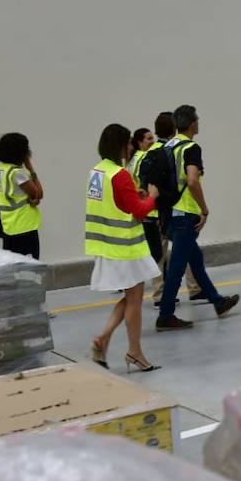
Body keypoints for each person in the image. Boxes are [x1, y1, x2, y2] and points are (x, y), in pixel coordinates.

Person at [154, 105, 240, 330]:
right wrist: (204, 209)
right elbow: (192, 180)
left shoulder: (165, 146)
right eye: (197, 119)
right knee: (177, 269)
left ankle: (218, 302)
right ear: (192, 123)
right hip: (185, 214)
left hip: (167, 214)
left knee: (196, 259)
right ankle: (165, 316)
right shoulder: (191, 148)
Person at [86, 123, 160, 373]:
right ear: (120, 145)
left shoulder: (97, 172)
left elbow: (114, 201)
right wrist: (151, 197)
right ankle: (135, 351)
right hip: (126, 248)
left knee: (129, 297)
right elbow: (139, 210)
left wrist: (134, 194)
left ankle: (103, 339)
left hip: (107, 245)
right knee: (135, 300)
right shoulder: (120, 174)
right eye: (128, 143)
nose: (131, 147)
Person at [140, 112, 177, 298]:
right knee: (184, 251)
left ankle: (158, 293)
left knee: (158, 255)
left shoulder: (147, 154)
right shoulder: (172, 151)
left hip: (151, 211)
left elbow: (142, 184)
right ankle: (196, 289)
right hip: (170, 210)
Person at [0, 132, 43, 259]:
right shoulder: (17, 173)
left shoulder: (2, 169)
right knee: (30, 267)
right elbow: (38, 193)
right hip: (24, 227)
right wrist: (30, 168)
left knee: (13, 266)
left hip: (9, 226)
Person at [128, 127, 162, 268]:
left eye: (152, 137)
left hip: (138, 209)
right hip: (149, 210)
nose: (152, 141)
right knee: (156, 252)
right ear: (139, 142)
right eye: (148, 138)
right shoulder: (145, 157)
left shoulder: (131, 160)